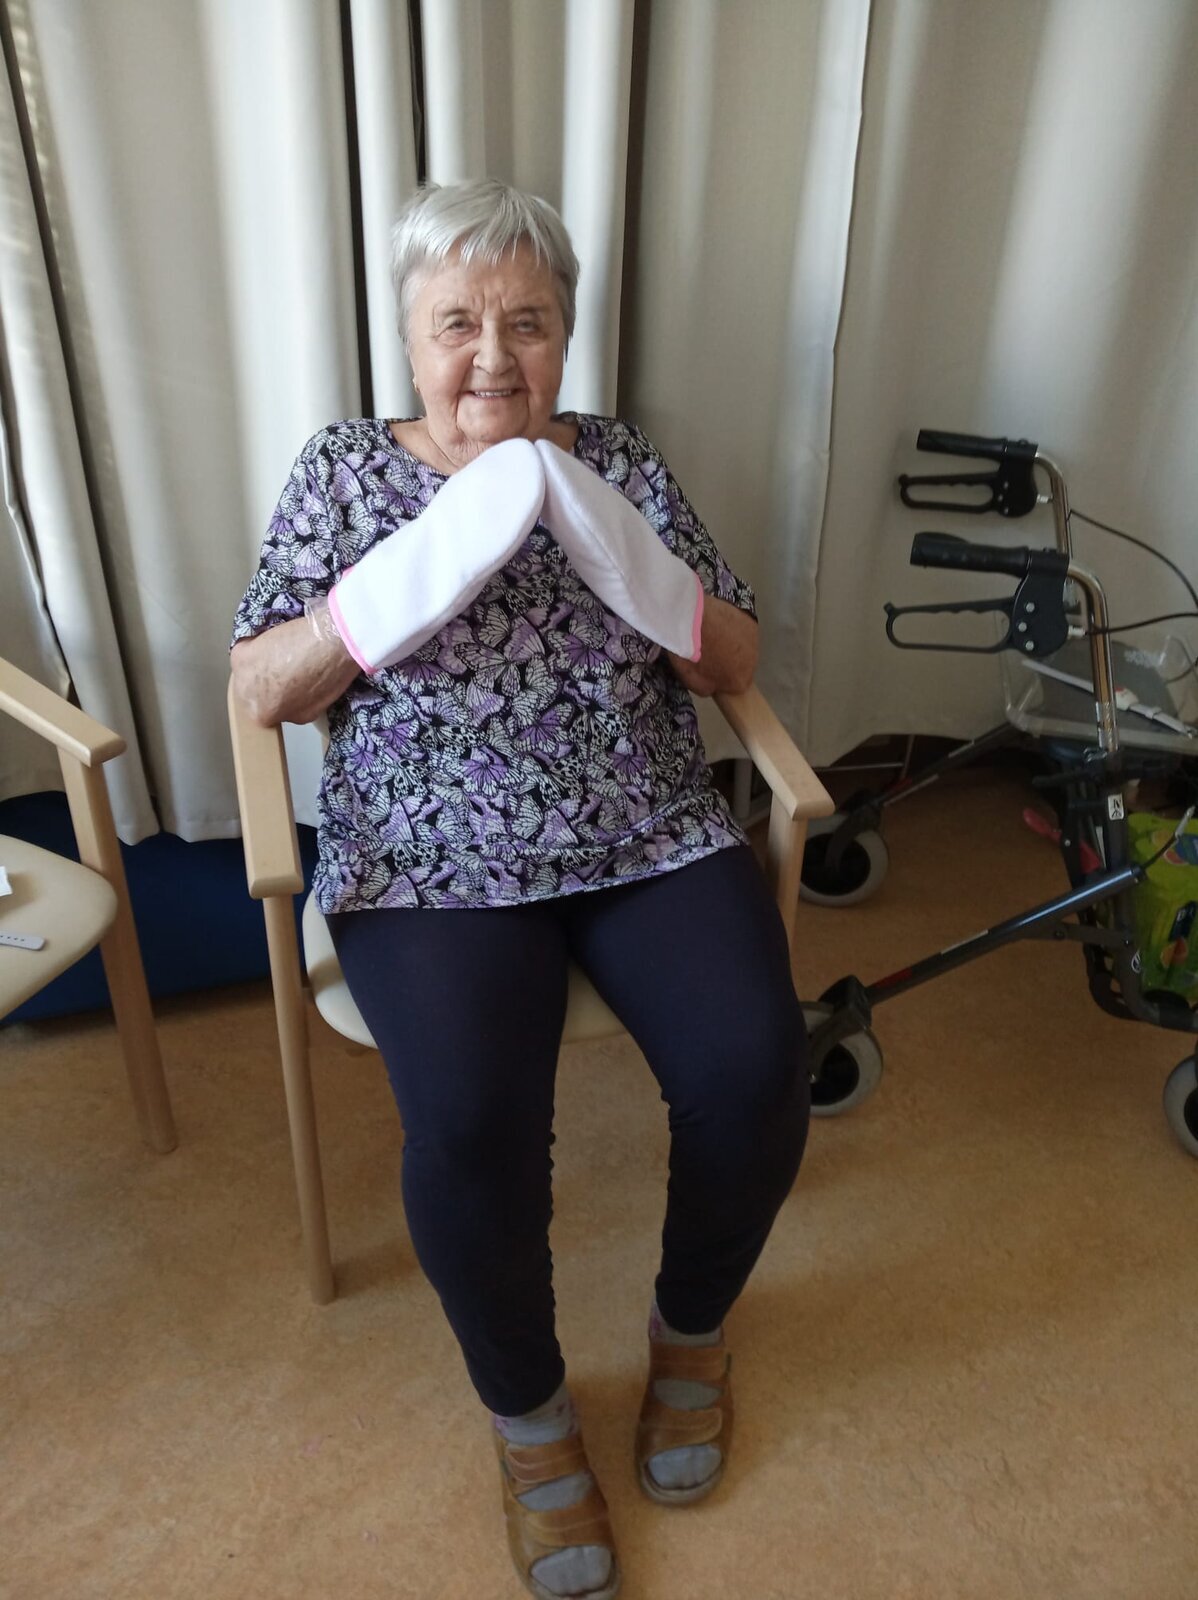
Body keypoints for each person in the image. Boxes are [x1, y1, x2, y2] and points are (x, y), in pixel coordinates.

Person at [230, 178, 809, 1600]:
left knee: (755, 1074)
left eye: (529, 323)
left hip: (643, 831)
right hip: (429, 856)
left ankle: (689, 1338)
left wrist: (615, 546)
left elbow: (731, 660)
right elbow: (261, 686)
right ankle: (532, 1417)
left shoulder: (619, 458)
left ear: (567, 335)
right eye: (458, 325)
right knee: (474, 1127)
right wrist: (417, 566)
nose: (493, 357)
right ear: (409, 337)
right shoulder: (342, 471)